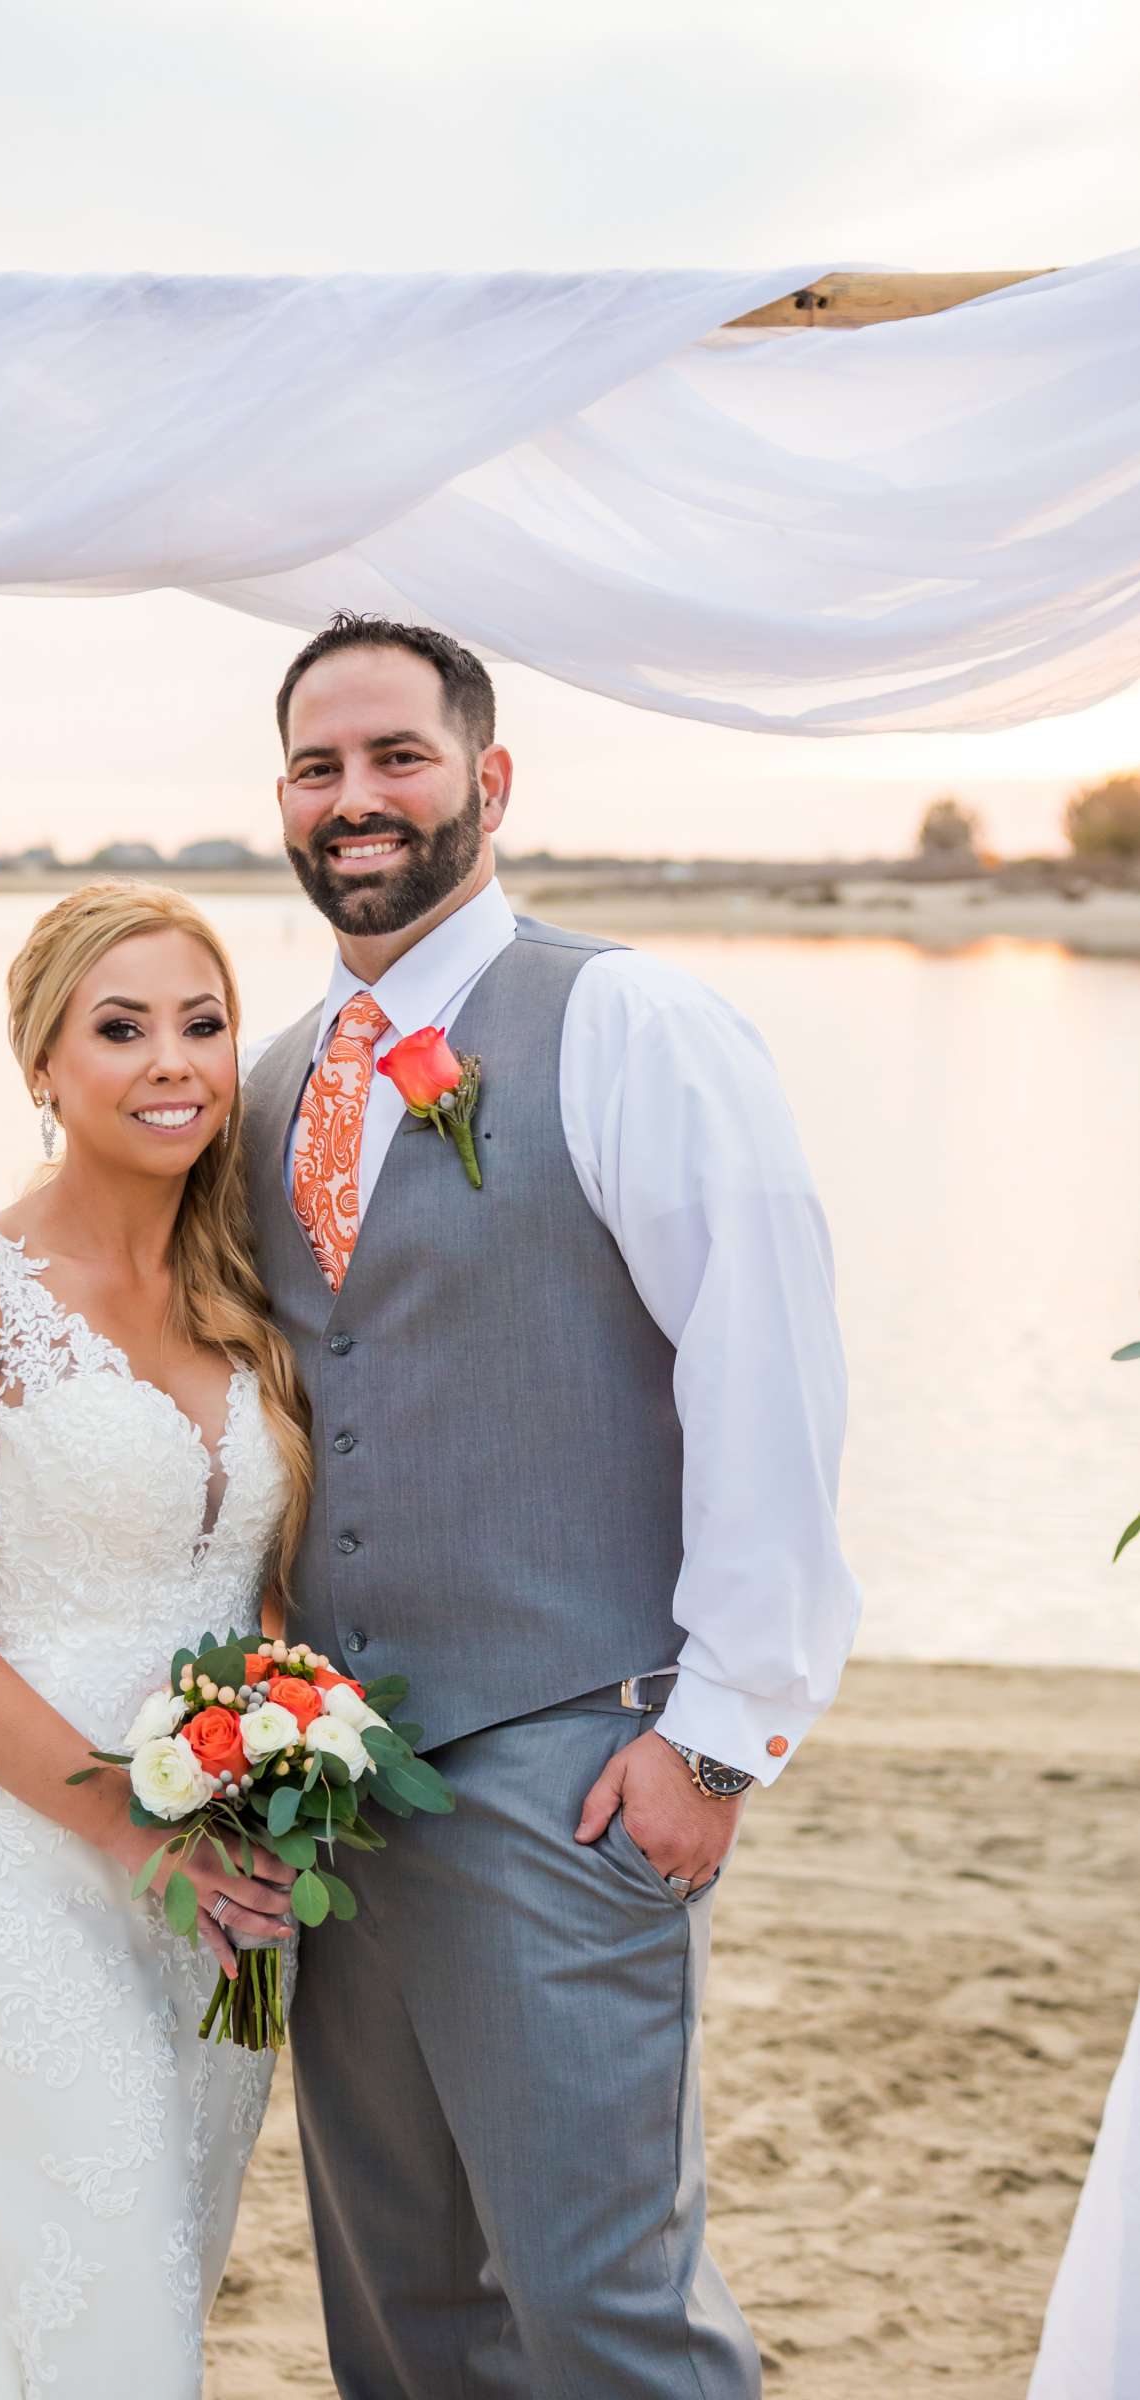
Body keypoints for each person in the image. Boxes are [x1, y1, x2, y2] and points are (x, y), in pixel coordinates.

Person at [242, 612, 862, 2398]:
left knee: (601, 2313)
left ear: (487, 782)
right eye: (315, 765)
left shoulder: (632, 1022)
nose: (353, 798)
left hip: (570, 1761)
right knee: (405, 2310)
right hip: (338, 1781)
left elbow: (765, 1370)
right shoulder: (274, 1078)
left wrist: (720, 1734)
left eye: (394, 758)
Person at [0, 881, 311, 2397]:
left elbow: (272, 1593)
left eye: (201, 1022)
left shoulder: (252, 1295)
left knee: (153, 2294)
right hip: (31, 1870)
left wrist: (290, 1785)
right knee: (99, 2316)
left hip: (228, 1885)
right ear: (41, 1066)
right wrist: (126, 1825)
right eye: (120, 1029)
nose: (171, 1059)